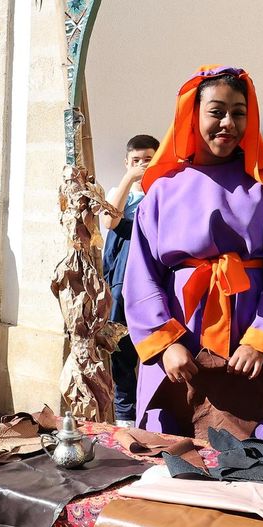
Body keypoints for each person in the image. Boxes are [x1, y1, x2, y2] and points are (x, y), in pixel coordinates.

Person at [124, 65, 263, 441]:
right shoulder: (163, 190)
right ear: (193, 116)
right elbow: (141, 274)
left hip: (250, 329)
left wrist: (261, 340)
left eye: (239, 113)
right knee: (174, 442)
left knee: (249, 447)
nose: (228, 122)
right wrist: (166, 343)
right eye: (216, 111)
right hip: (180, 333)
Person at [102, 133, 161, 427]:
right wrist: (129, 179)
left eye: (148, 160)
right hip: (122, 277)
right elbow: (110, 220)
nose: (142, 165)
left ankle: (153, 409)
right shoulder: (120, 191)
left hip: (154, 275)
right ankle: (125, 412)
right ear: (126, 162)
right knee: (121, 345)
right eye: (136, 160)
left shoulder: (163, 192)